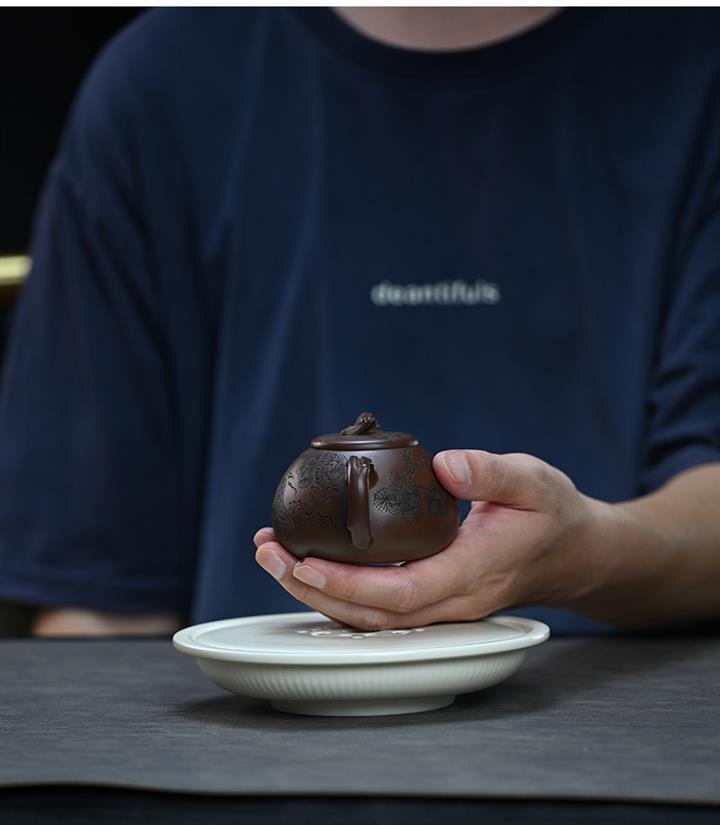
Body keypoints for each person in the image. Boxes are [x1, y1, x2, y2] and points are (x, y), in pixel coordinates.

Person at [1, 7, 719, 638]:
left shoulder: (694, 63)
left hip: (618, 725)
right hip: (252, 733)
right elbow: (95, 598)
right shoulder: (166, 78)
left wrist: (586, 554)